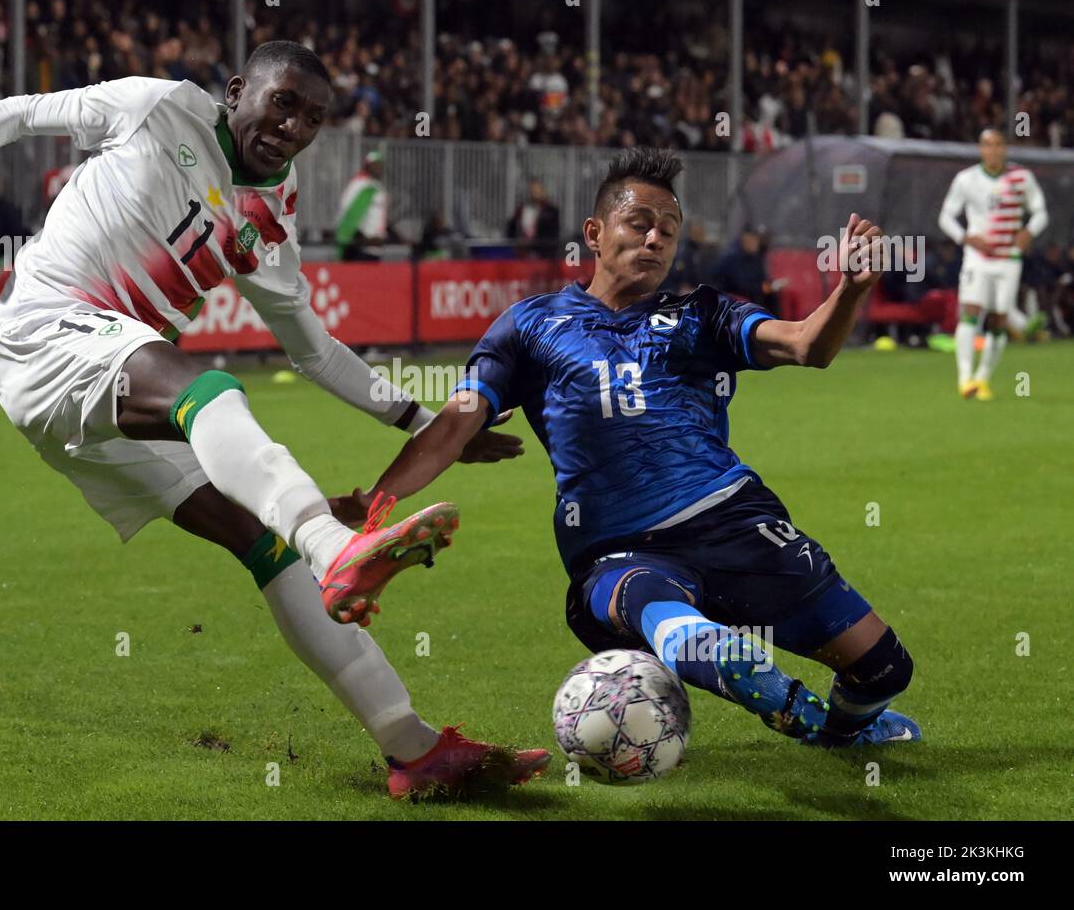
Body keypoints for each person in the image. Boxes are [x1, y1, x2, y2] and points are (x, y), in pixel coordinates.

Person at [0, 41, 547, 798]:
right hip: (49, 330)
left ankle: (412, 749)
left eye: (312, 118)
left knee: (266, 545)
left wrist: (431, 424)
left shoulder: (271, 219)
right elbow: (22, 111)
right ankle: (334, 544)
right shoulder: (157, 106)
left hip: (105, 389)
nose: (292, 125)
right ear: (238, 92)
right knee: (210, 390)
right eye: (282, 102)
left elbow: (317, 352)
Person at [338, 147, 921, 750]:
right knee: (650, 599)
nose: (654, 240)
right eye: (639, 224)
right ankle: (727, 660)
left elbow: (806, 345)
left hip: (732, 520)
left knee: (884, 670)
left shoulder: (702, 313)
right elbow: (453, 428)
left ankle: (836, 732)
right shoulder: (529, 325)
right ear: (594, 233)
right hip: (616, 547)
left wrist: (851, 289)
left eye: (667, 231)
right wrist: (377, 505)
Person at [938, 127, 1048, 400]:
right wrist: (966, 238)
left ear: (1005, 148)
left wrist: (1029, 231)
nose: (993, 150)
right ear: (980, 149)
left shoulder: (1021, 178)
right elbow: (946, 217)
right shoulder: (966, 179)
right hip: (978, 258)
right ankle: (965, 378)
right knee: (971, 312)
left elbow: (1040, 212)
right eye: (987, 145)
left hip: (1008, 259)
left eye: (998, 144)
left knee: (999, 319)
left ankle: (983, 378)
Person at [334, 150, 388, 261]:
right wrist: (356, 238)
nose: (378, 168)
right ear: (367, 166)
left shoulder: (376, 186)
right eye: (375, 164)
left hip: (375, 247)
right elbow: (349, 212)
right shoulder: (361, 185)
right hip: (361, 247)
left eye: (380, 165)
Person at [505, 179, 560, 258]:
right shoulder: (522, 209)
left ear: (543, 191)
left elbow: (552, 232)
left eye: (537, 190)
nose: (535, 193)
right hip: (522, 252)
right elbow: (512, 228)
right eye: (533, 190)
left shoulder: (551, 211)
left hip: (543, 253)